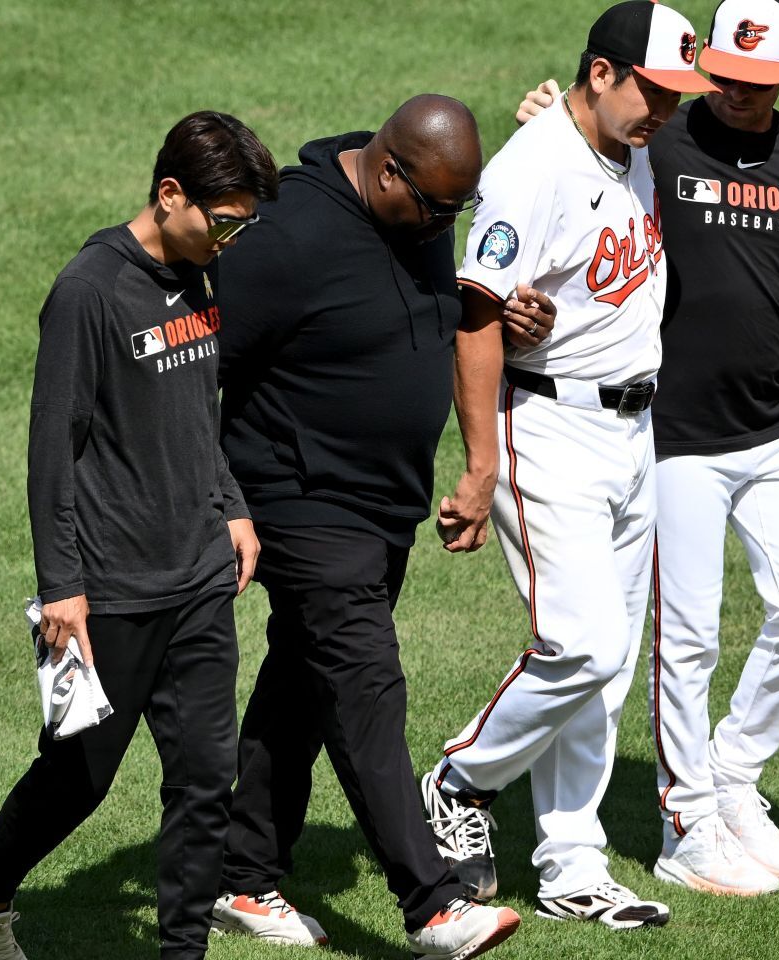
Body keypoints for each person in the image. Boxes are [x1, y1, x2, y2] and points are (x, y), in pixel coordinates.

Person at [515, 0, 779, 897]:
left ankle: (733, 776)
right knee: (687, 641)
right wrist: (550, 121)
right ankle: (685, 823)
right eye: (724, 75)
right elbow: (579, 152)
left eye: (758, 82)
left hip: (774, 425)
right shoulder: (657, 143)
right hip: (671, 437)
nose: (736, 93)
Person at [209, 95, 552, 959]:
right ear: (388, 168)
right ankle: (433, 903)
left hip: (381, 507)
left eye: (456, 210)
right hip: (299, 500)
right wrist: (223, 502)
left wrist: (511, 339)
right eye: (435, 207)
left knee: (301, 681)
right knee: (365, 688)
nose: (445, 226)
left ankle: (242, 873)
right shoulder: (284, 239)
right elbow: (196, 372)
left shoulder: (417, 216)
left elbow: (442, 328)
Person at [0, 111, 277, 960]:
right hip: (112, 590)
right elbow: (52, 450)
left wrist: (230, 501)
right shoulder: (88, 291)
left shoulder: (200, 272)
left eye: (245, 225)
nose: (232, 239)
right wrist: (61, 588)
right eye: (224, 220)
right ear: (170, 195)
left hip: (199, 574)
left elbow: (201, 411)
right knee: (78, 780)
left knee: (205, 780)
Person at [418, 2, 718, 931]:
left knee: (609, 661)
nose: (665, 112)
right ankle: (457, 781)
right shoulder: (533, 169)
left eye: (676, 96)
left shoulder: (628, 149)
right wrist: (475, 468)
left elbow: (566, 277)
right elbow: (476, 313)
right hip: (547, 430)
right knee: (582, 641)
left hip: (632, 432)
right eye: (654, 92)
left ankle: (573, 863)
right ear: (601, 73)